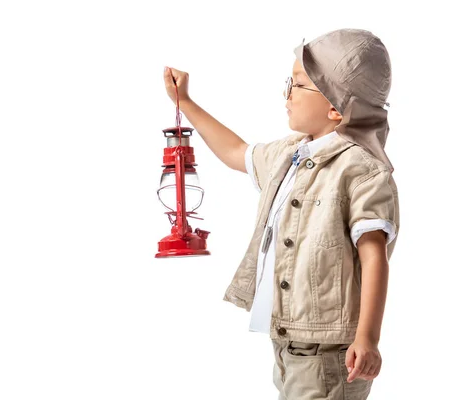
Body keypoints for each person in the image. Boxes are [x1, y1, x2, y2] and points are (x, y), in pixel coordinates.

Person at [163, 28, 399, 400]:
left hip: (329, 353)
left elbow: (374, 257)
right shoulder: (289, 154)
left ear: (336, 107)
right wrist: (186, 103)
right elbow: (236, 151)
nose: (286, 93)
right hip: (289, 341)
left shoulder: (361, 170)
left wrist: (368, 338)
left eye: (298, 84)